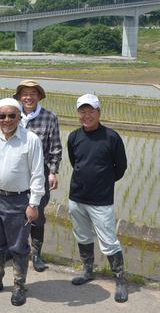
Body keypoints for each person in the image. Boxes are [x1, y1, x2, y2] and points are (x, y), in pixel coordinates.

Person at [0, 98, 45, 307]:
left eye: (12, 115)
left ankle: (19, 285)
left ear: (19, 116)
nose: (7, 120)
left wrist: (33, 204)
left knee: (18, 247)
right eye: (2, 116)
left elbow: (37, 175)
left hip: (18, 201)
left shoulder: (30, 140)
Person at [68, 94, 128, 303]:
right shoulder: (74, 137)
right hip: (76, 197)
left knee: (109, 242)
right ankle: (87, 271)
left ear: (99, 112)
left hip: (101, 200)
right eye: (82, 111)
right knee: (83, 236)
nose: (87, 115)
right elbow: (74, 161)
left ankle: (120, 280)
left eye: (90, 110)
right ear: (78, 114)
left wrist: (103, 182)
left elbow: (120, 168)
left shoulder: (111, 137)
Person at [14, 79, 62, 272]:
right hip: (16, 172)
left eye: (33, 94)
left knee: (37, 214)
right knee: (16, 212)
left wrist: (53, 172)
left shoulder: (49, 117)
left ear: (39, 97)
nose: (28, 97)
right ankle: (17, 249)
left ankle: (36, 254)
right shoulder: (12, 115)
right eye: (24, 93)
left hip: (39, 172)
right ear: (19, 97)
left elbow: (55, 147)